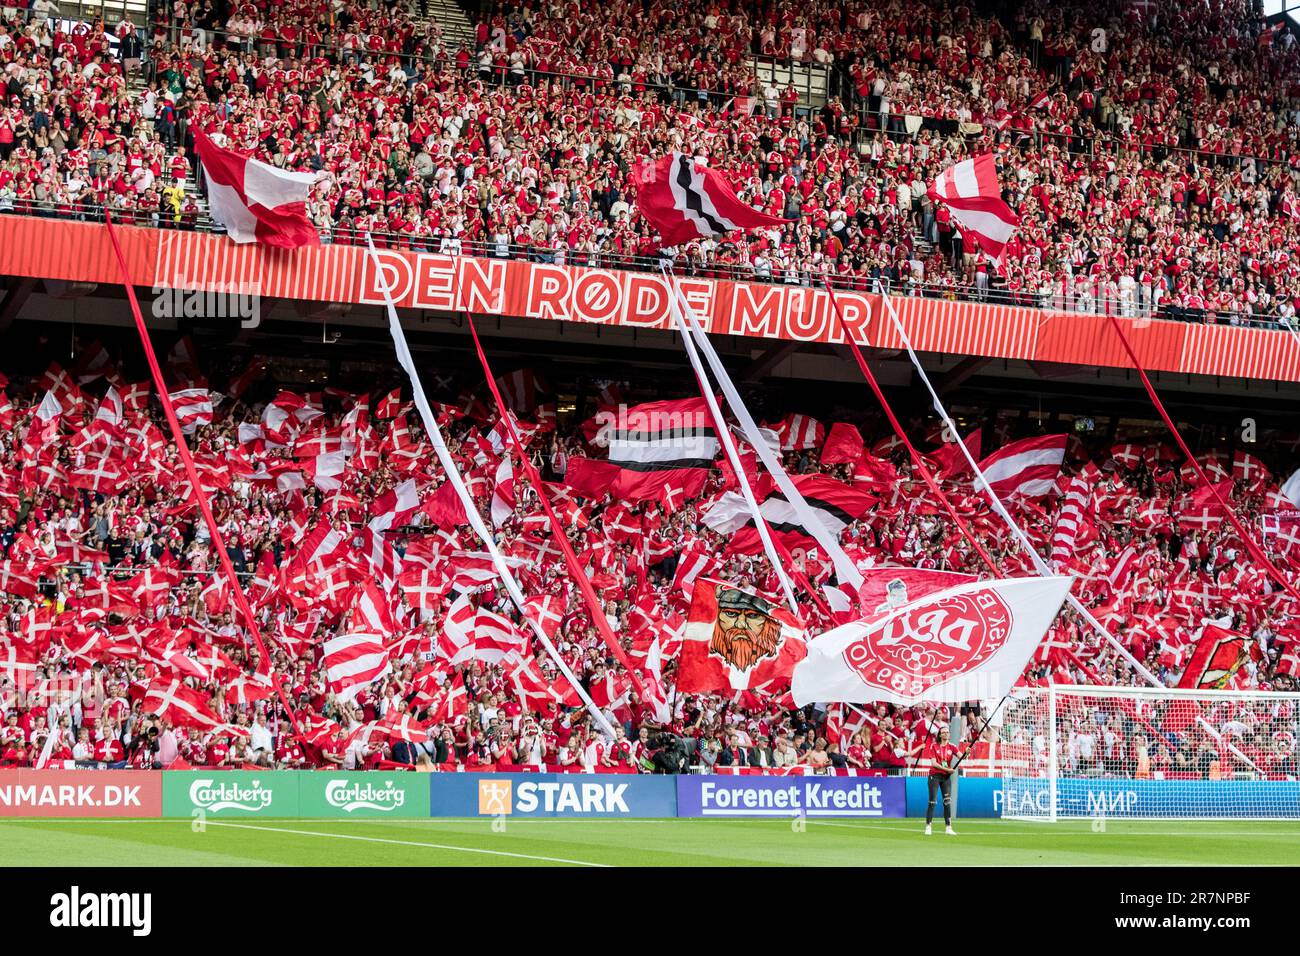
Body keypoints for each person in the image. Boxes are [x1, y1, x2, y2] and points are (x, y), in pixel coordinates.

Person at [923, 726, 960, 836]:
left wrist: (966, 753)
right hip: (934, 776)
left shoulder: (952, 746)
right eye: (943, 732)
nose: (946, 734)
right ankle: (928, 826)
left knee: (947, 801)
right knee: (932, 801)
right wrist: (947, 769)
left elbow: (961, 756)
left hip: (946, 778)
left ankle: (948, 827)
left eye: (947, 732)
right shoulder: (934, 746)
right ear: (940, 735)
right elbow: (934, 764)